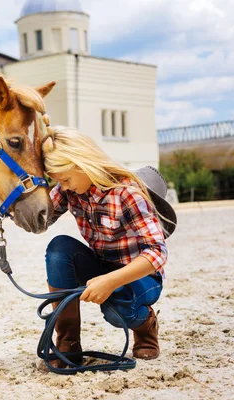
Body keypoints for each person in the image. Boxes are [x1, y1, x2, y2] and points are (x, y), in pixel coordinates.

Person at [39, 126, 177, 369]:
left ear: (82, 163)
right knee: (59, 249)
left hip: (141, 276)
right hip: (102, 265)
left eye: (66, 179)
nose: (63, 186)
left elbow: (157, 252)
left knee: (115, 310)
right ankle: (68, 343)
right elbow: (40, 219)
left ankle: (146, 326)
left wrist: (111, 281)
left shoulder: (127, 193)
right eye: (59, 181)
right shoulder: (70, 190)